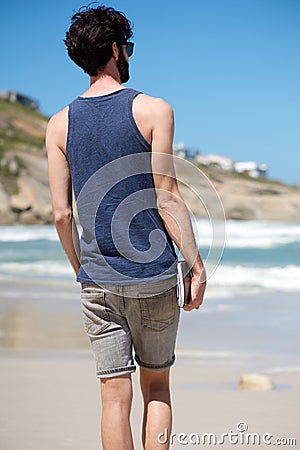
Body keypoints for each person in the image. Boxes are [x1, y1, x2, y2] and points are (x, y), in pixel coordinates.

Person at [46, 5, 206, 449]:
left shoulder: (58, 124)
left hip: (97, 279)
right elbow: (167, 194)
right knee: (157, 387)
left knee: (113, 397)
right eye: (127, 47)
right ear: (116, 49)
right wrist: (196, 266)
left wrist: (83, 267)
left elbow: (62, 214)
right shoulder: (154, 110)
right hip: (151, 275)